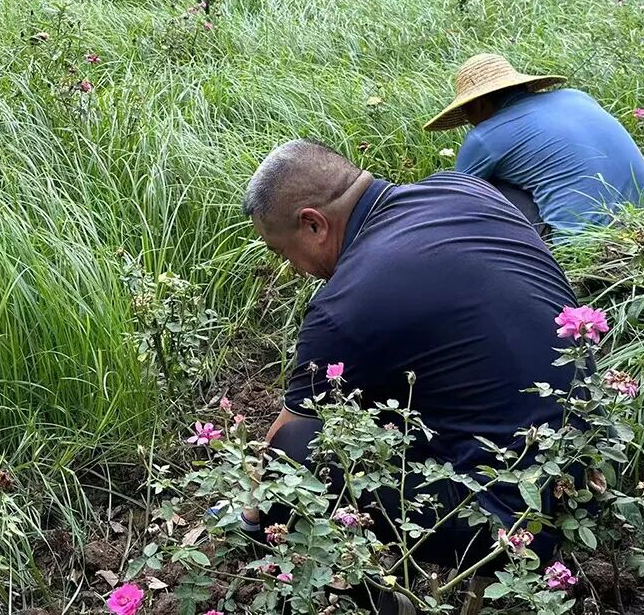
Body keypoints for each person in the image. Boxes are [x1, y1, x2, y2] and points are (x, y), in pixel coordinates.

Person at [240, 140, 588, 614]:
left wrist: (250, 519)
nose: (294, 270)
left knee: (294, 455)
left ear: (314, 224)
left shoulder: (347, 304)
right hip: (584, 466)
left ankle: (384, 604)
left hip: (511, 522)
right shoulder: (462, 188)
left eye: (284, 253)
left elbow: (286, 434)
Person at [424, 54, 644, 239]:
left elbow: (456, 204)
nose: (468, 122)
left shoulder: (484, 137)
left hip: (587, 246)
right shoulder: (577, 97)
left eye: (466, 112)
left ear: (480, 103)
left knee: (489, 189)